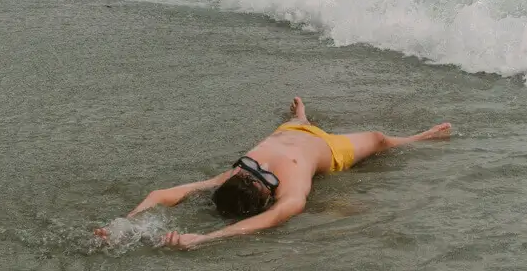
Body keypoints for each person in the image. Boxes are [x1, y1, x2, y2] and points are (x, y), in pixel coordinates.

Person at [95, 97, 452, 250]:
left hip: (291, 130)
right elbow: (270, 221)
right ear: (265, 196)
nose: (252, 173)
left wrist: (123, 224)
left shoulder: (231, 177)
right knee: (378, 138)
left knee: (299, 120)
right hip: (328, 149)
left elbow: (161, 194)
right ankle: (419, 138)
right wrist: (204, 239)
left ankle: (302, 114)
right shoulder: (290, 192)